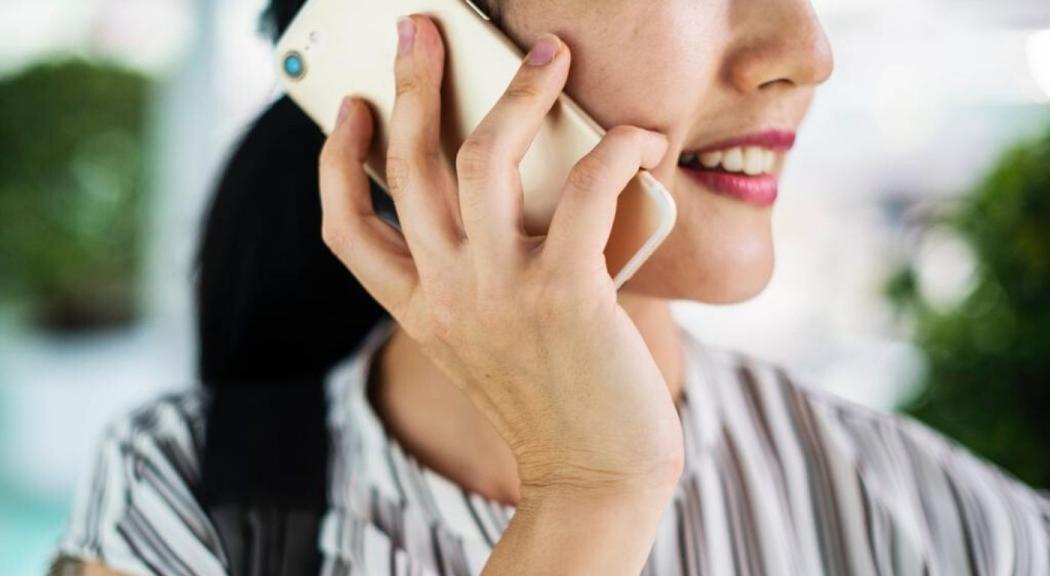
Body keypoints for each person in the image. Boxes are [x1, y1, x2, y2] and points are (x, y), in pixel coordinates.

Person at [51, 0, 1050, 574]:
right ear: (413, 29)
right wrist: (587, 495)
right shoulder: (176, 504)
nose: (805, 50)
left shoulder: (962, 533)